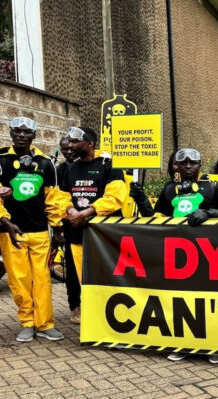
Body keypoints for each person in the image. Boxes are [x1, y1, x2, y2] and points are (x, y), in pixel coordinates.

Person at [153, 148, 218, 363]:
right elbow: (159, 216)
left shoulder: (213, 186)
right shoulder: (169, 189)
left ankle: (214, 345)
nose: (188, 166)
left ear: (200, 165)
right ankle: (184, 343)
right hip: (179, 255)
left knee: (210, 300)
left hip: (210, 254)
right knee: (181, 299)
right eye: (183, 163)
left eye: (193, 162)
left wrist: (209, 213)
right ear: (176, 166)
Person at [0, 117, 68, 342]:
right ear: (10, 133)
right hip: (10, 232)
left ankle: (45, 324)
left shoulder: (45, 163)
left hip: (39, 232)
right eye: (17, 131)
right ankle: (27, 323)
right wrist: (5, 221)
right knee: (19, 280)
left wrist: (57, 227)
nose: (22, 135)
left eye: (27, 132)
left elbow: (53, 198)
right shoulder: (1, 160)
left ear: (34, 136)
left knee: (42, 279)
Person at [58, 126, 128, 286]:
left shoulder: (109, 165)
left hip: (104, 234)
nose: (70, 145)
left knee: (108, 278)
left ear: (90, 144)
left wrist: (85, 213)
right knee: (84, 280)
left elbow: (115, 198)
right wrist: (70, 210)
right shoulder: (70, 168)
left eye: (75, 141)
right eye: (69, 141)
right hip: (77, 234)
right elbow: (61, 196)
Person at [56, 136, 83, 323]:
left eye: (71, 148)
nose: (69, 151)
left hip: (89, 224)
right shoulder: (60, 170)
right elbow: (55, 198)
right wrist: (57, 228)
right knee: (72, 270)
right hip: (69, 226)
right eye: (65, 149)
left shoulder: (87, 167)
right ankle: (75, 307)